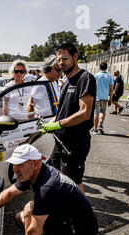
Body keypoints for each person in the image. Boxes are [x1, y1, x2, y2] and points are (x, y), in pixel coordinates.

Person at [40, 43, 96, 193]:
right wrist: (46, 125)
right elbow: (62, 113)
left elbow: (84, 113)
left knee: (73, 184)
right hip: (60, 142)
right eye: (59, 60)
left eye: (65, 58)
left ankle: (82, 215)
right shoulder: (65, 82)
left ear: (75, 56)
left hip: (75, 143)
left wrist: (58, 124)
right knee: (55, 178)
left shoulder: (85, 78)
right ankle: (61, 213)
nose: (61, 63)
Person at [92, 62, 113, 134]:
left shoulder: (96, 75)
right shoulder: (109, 76)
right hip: (104, 97)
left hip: (97, 97)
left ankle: (95, 129)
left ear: (99, 68)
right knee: (103, 111)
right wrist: (110, 98)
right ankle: (101, 125)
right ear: (106, 68)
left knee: (96, 113)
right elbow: (111, 89)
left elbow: (93, 87)